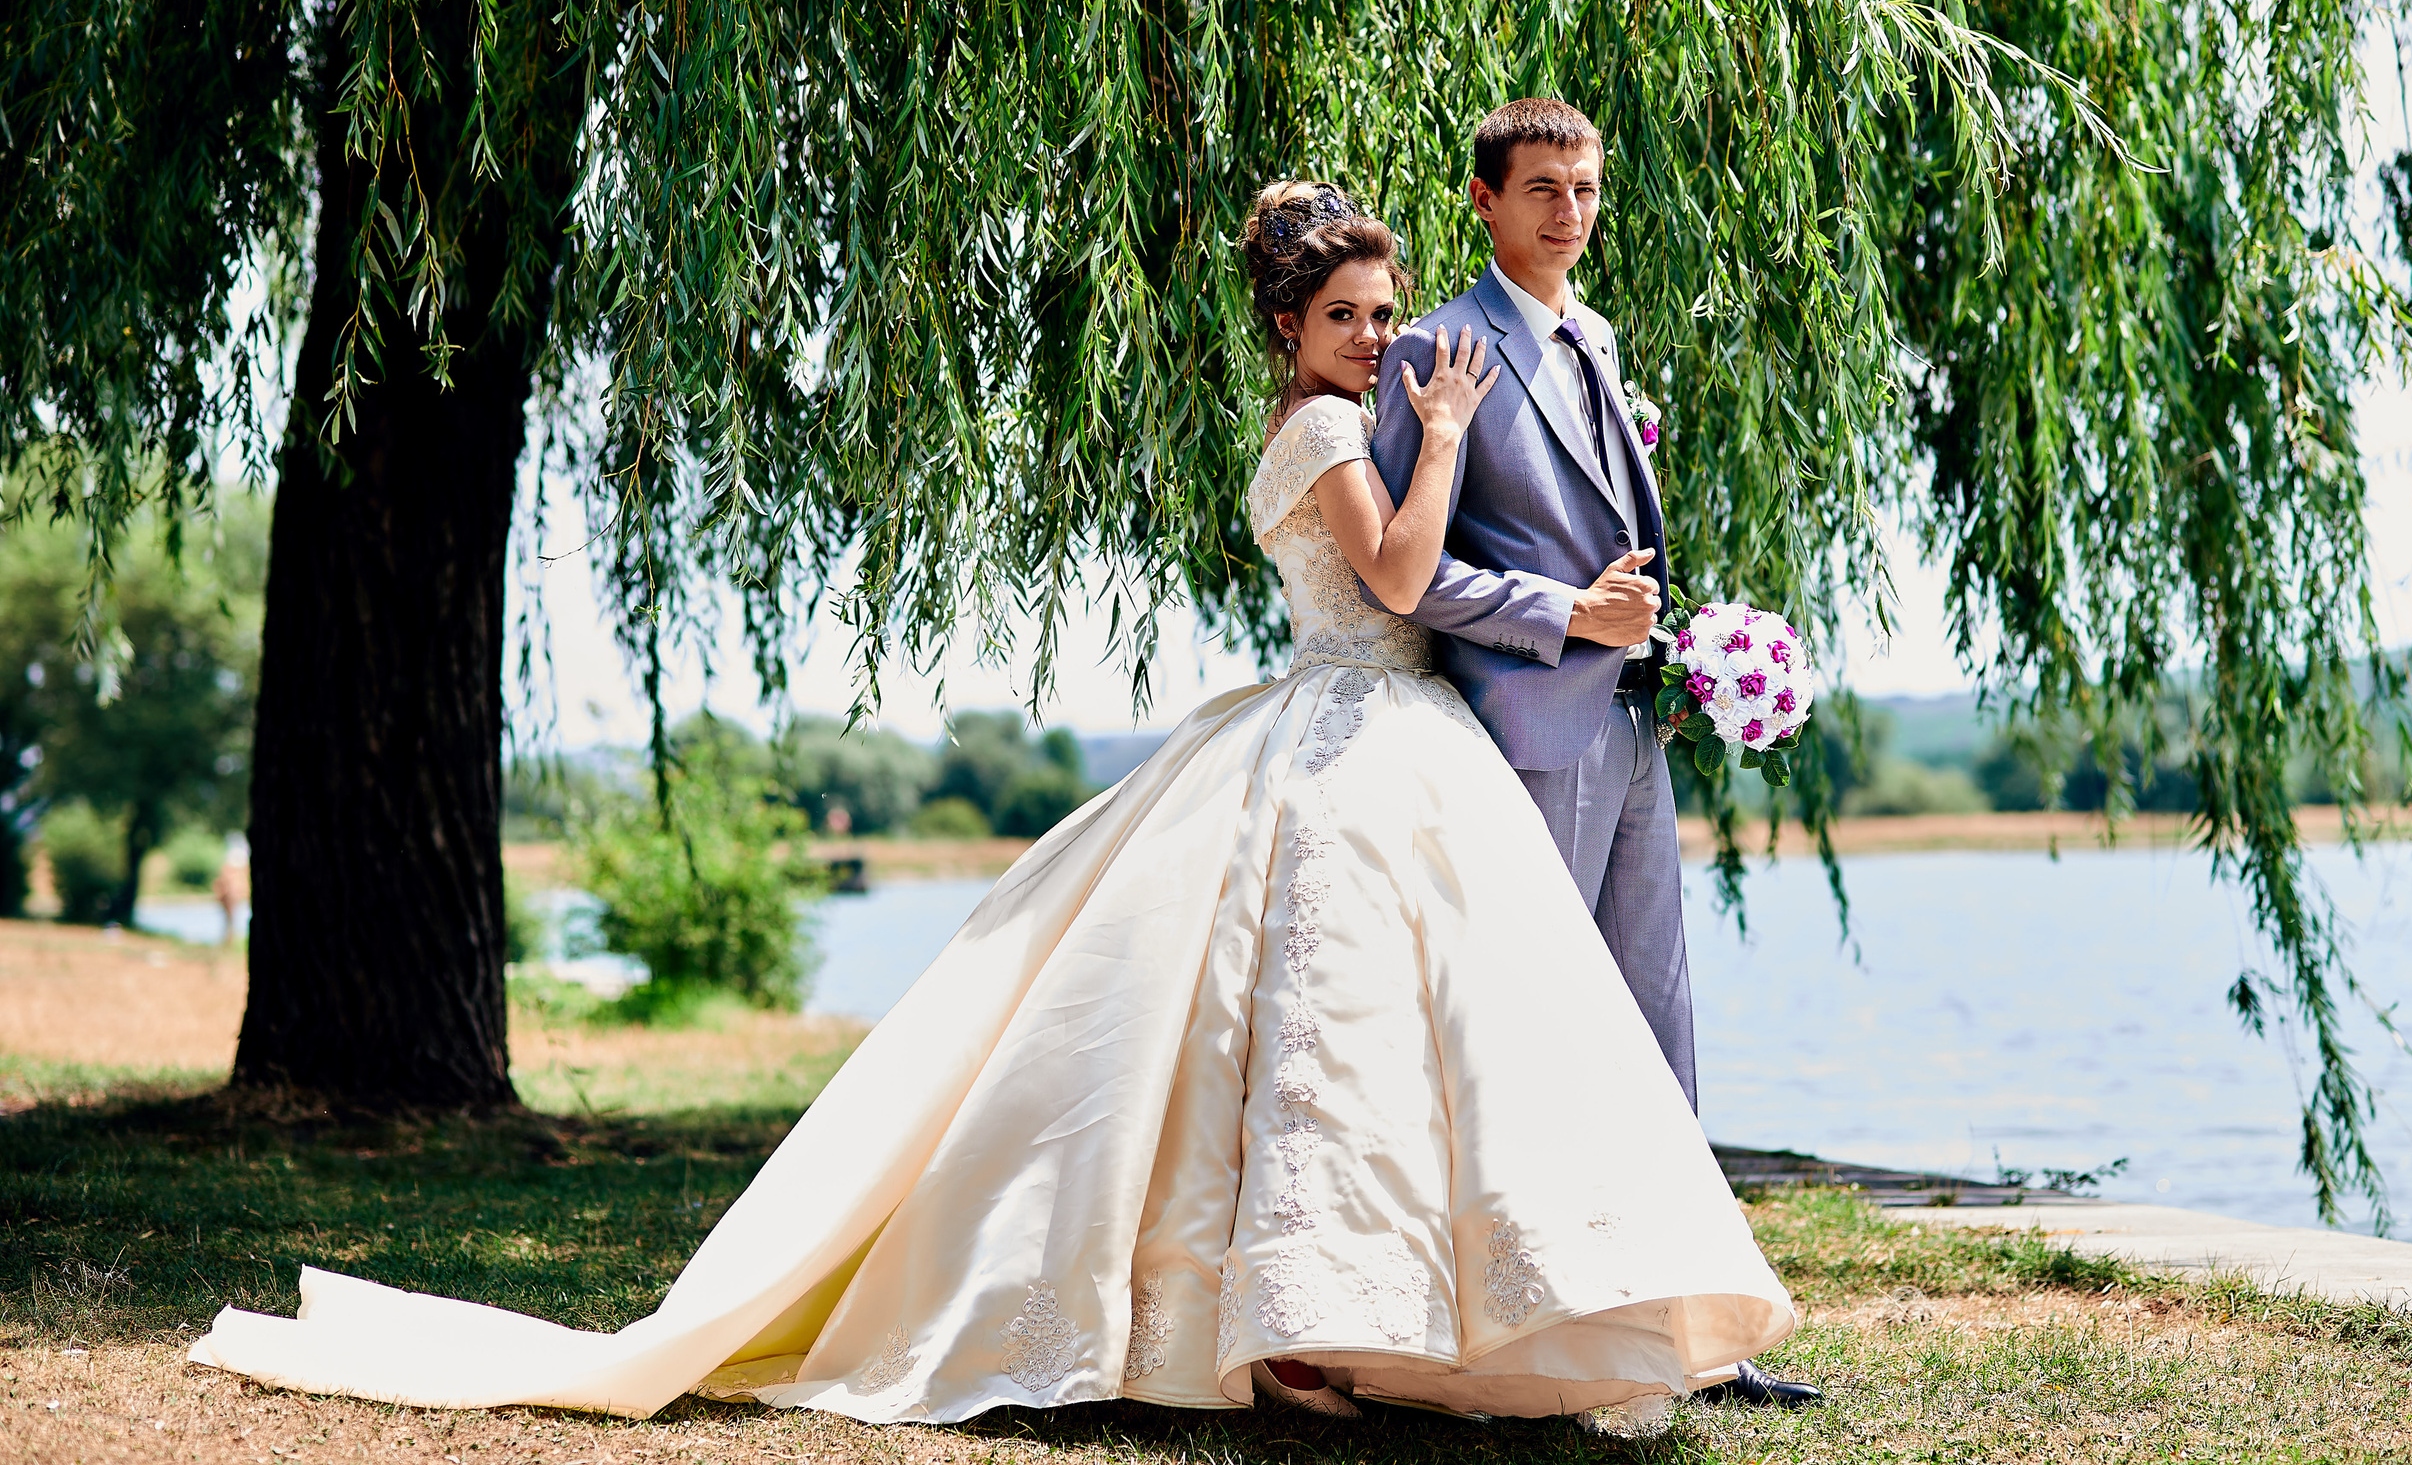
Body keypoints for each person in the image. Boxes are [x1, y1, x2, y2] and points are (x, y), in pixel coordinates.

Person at [188, 181, 1797, 1435]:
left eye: (1386, 314)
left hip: (1385, 727)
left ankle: (1353, 1323)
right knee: (1316, 1026)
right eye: (1350, 314)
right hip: (1348, 732)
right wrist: (1445, 431)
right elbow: (1389, 573)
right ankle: (1297, 1336)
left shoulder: (1335, 414)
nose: (1379, 338)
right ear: (1291, 324)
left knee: (1363, 1037)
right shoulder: (1327, 427)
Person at [1368, 99, 1819, 1407]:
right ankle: (1545, 1325)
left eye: (1587, 186)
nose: (1572, 210)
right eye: (1544, 189)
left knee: (1653, 1015)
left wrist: (1676, 652)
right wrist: (1560, 616)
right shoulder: (1440, 350)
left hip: (1632, 720)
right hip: (1526, 733)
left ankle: (1692, 1330)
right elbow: (1405, 571)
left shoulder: (1596, 337)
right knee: (1540, 1029)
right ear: (1483, 201)